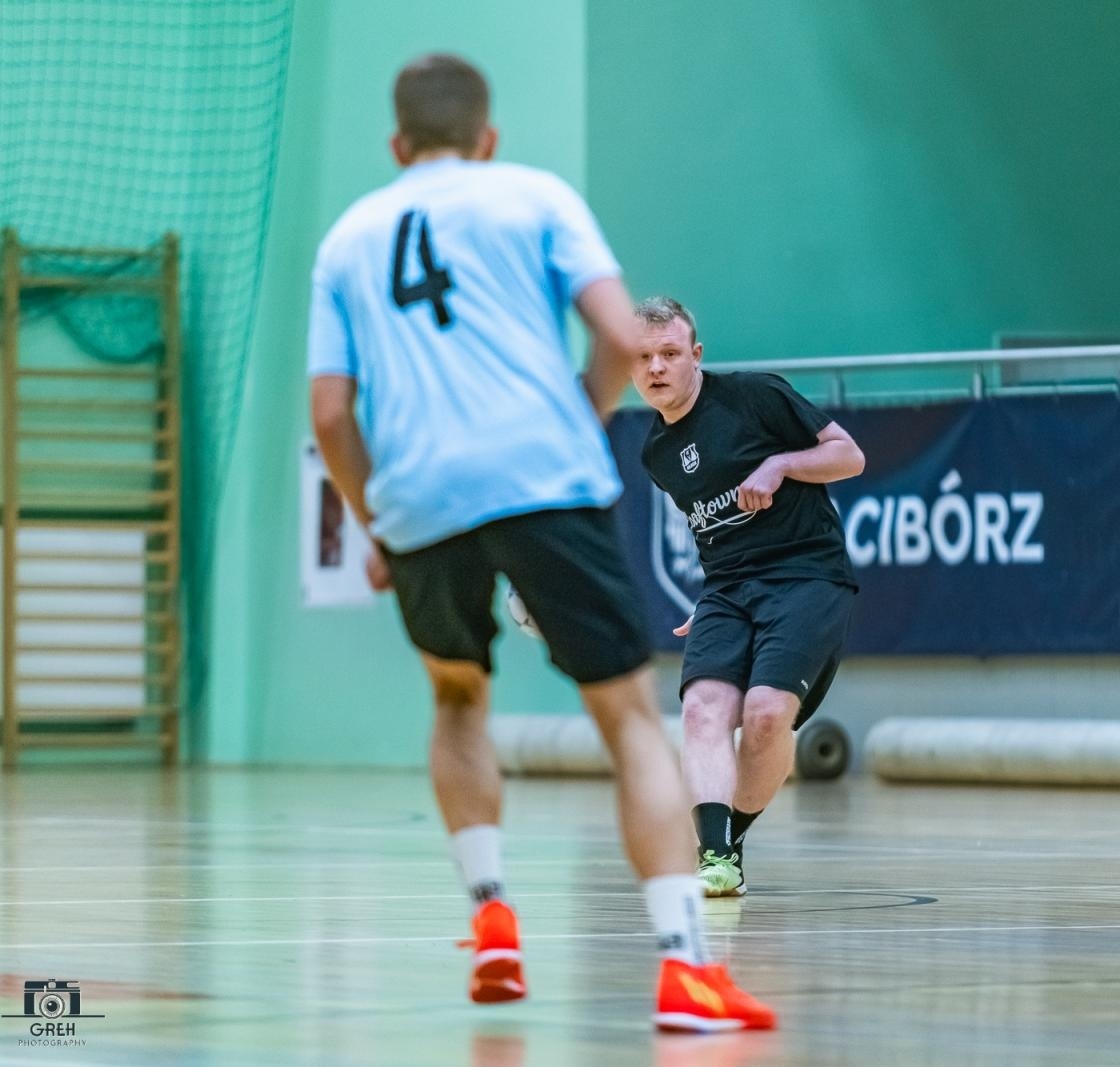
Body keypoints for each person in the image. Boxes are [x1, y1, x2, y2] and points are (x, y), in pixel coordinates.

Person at [307, 53, 774, 1030]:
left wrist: (376, 519)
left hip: (419, 494)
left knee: (456, 698)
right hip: (541, 477)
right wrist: (574, 420)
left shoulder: (347, 239)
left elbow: (332, 414)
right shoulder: (535, 196)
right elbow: (620, 336)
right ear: (488, 137)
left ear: (396, 144)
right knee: (627, 718)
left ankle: (491, 917)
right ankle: (685, 968)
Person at [630, 297, 863, 897]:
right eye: (643, 357)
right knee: (702, 710)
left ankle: (729, 838)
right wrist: (709, 603)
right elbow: (713, 533)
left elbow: (849, 456)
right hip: (727, 589)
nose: (656, 367)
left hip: (806, 576)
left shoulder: (755, 395)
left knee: (764, 716)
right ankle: (716, 855)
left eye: (669, 353)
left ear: (695, 355)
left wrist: (780, 465)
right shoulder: (656, 453)